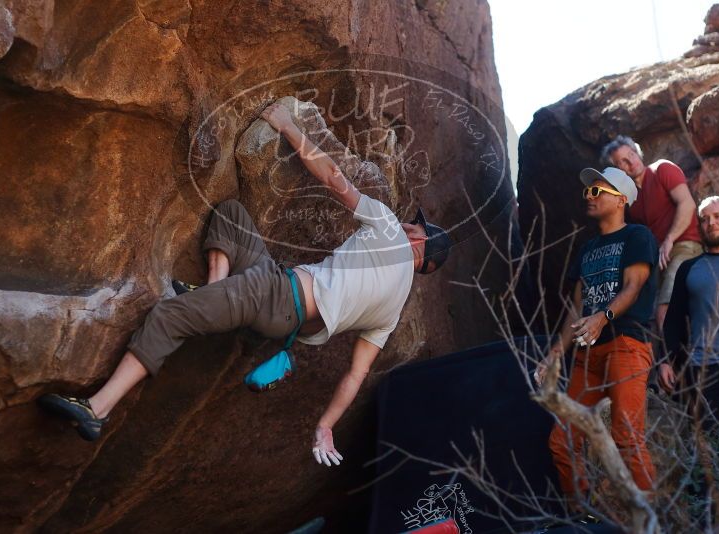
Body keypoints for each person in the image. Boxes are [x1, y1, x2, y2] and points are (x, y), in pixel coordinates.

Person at [38, 101, 453, 468]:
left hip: (273, 297)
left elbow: (333, 178)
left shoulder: (387, 227)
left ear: (417, 238)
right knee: (232, 216)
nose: (406, 222)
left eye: (412, 224)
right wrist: (326, 426)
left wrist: (288, 125)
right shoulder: (394, 308)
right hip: (280, 305)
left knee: (168, 316)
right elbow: (355, 375)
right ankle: (211, 291)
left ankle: (98, 408)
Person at [536, 167, 658, 506]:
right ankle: (582, 516)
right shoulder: (587, 249)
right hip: (587, 357)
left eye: (596, 191)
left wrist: (603, 318)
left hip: (626, 345)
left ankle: (651, 522)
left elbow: (633, 287)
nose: (588, 197)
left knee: (628, 437)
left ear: (620, 200)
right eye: (587, 191)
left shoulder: (637, 236)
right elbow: (576, 311)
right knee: (561, 441)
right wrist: (555, 353)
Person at [659, 195, 719, 426]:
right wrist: (666, 360)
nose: (711, 223)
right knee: (708, 444)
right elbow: (674, 320)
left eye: (718, 216)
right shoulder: (688, 268)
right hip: (703, 369)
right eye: (705, 219)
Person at [601, 135, 702, 329]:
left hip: (686, 246)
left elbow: (687, 204)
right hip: (658, 256)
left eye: (631, 154)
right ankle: (656, 356)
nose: (630, 161)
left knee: (664, 307)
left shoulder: (662, 169)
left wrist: (670, 239)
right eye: (622, 161)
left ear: (637, 152)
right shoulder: (631, 202)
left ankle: (670, 359)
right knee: (644, 309)